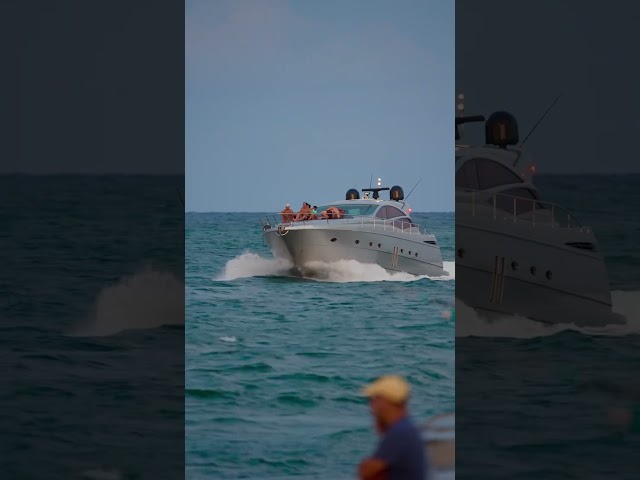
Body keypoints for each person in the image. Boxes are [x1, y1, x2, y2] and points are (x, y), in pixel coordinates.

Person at [357, 375, 427, 480]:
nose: (371, 406)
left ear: (385, 402)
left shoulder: (400, 431)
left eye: (374, 399)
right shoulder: (407, 427)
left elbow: (366, 472)